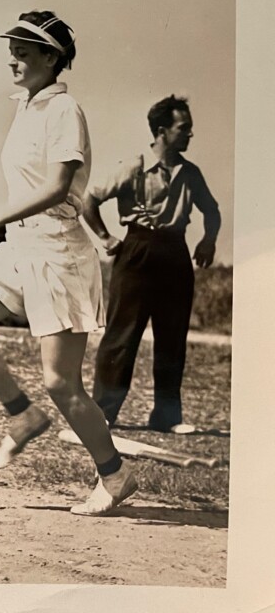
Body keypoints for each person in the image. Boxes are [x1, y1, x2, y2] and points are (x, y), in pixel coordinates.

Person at [0, 10, 136, 517]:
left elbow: (54, 188)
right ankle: (22, 417)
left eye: (25, 52)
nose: (14, 60)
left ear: (52, 58)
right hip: (20, 246)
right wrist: (0, 224)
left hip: (60, 253)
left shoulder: (63, 109)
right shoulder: (27, 107)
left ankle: (114, 475)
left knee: (61, 382)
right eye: (13, 50)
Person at [83, 96, 221, 434]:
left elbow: (212, 211)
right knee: (121, 337)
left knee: (172, 338)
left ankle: (167, 416)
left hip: (175, 255)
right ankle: (102, 413)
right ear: (162, 131)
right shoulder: (133, 166)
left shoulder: (191, 173)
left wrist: (208, 240)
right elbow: (90, 199)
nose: (190, 135)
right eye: (183, 128)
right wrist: (105, 237)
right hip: (137, 252)